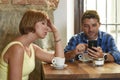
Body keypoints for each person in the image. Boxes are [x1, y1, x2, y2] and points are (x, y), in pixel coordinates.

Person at [0, 10, 64, 80]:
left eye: (47, 25)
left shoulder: (32, 48)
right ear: (32, 23)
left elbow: (58, 62)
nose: (47, 28)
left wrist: (56, 32)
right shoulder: (17, 49)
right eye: (43, 23)